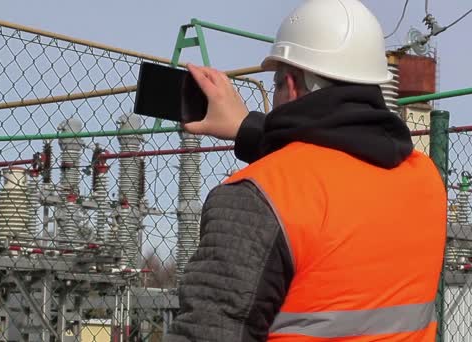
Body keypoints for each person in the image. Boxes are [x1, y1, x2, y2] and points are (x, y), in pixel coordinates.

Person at [164, 0, 447, 341]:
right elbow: (334, 173)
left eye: (276, 85)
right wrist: (246, 128)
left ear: (293, 85)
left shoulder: (253, 200)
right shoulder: (425, 180)